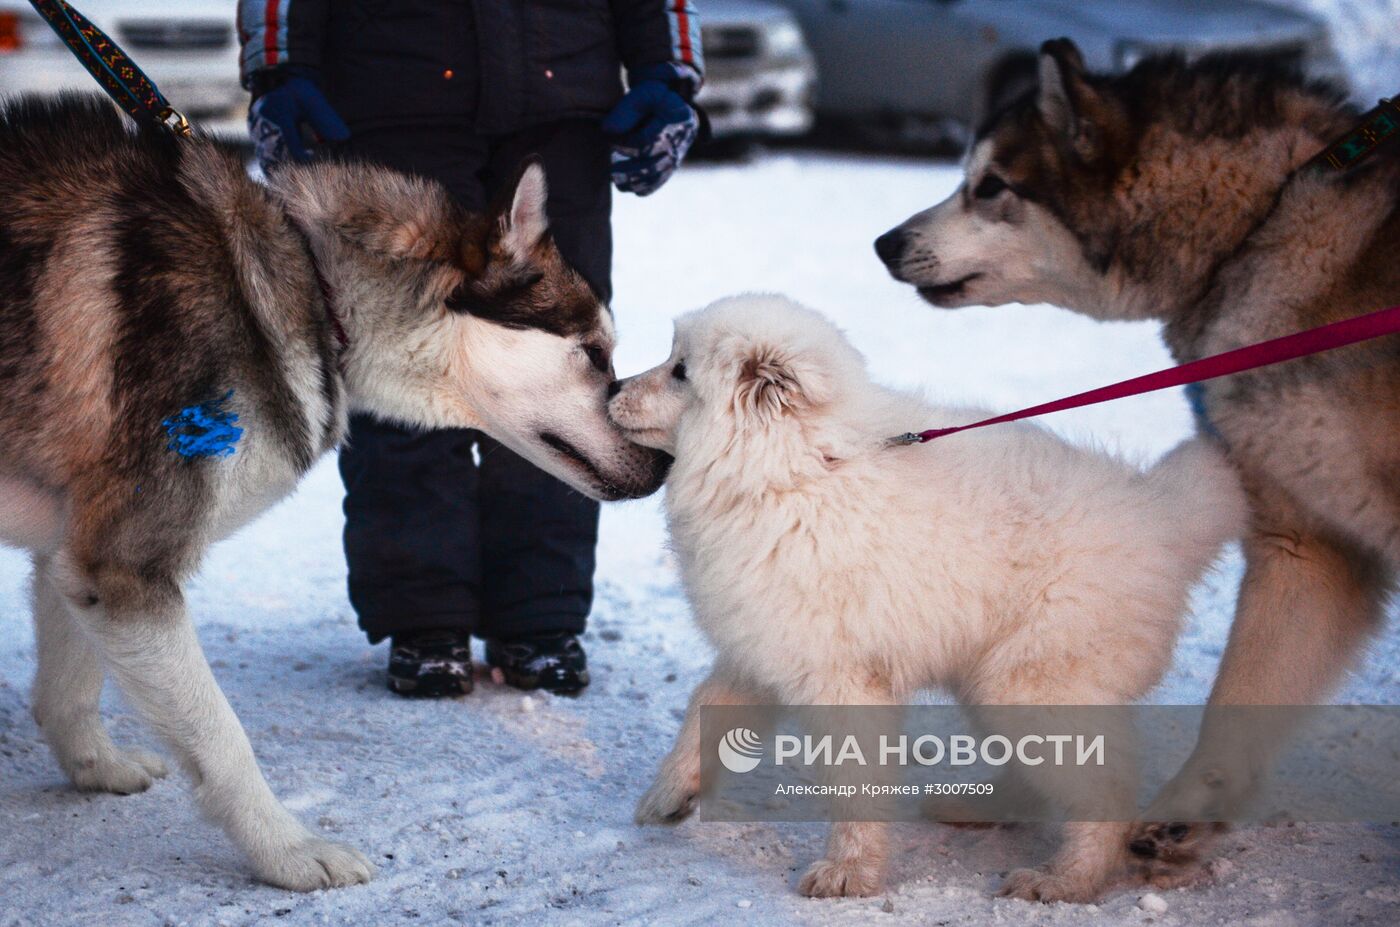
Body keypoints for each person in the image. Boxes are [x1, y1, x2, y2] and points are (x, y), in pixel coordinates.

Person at [237, 1, 703, 697]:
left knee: (563, 366)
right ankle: (423, 614)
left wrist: (668, 70)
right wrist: (280, 67)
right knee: (402, 352)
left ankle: (539, 614)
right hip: (392, 95)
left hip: (564, 106)